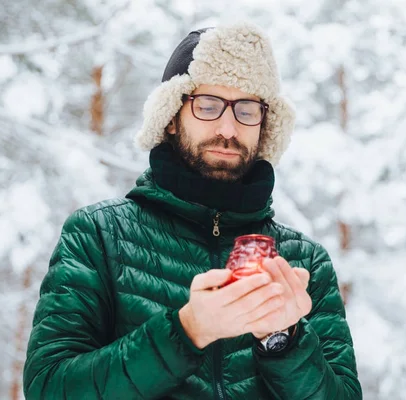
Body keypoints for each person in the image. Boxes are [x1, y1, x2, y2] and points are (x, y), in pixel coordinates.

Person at [23, 22, 362, 400]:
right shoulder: (99, 235)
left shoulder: (303, 262)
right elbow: (49, 389)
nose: (229, 128)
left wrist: (283, 342)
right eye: (208, 105)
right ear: (171, 117)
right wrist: (186, 331)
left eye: (247, 109)